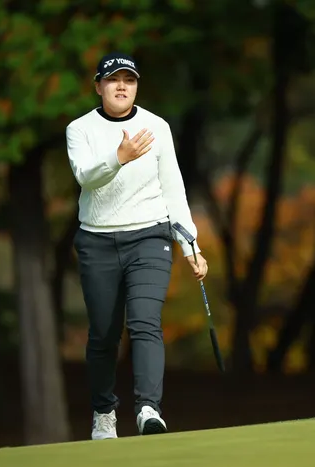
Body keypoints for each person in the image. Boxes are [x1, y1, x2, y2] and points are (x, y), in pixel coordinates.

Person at [65, 52, 208, 439]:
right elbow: (85, 177)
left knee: (145, 322)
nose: (122, 86)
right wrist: (119, 157)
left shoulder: (157, 127)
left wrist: (190, 245)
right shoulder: (80, 129)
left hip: (149, 236)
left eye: (129, 80)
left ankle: (149, 409)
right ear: (99, 87)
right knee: (104, 334)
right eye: (113, 80)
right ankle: (104, 413)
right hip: (97, 241)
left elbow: (173, 189)